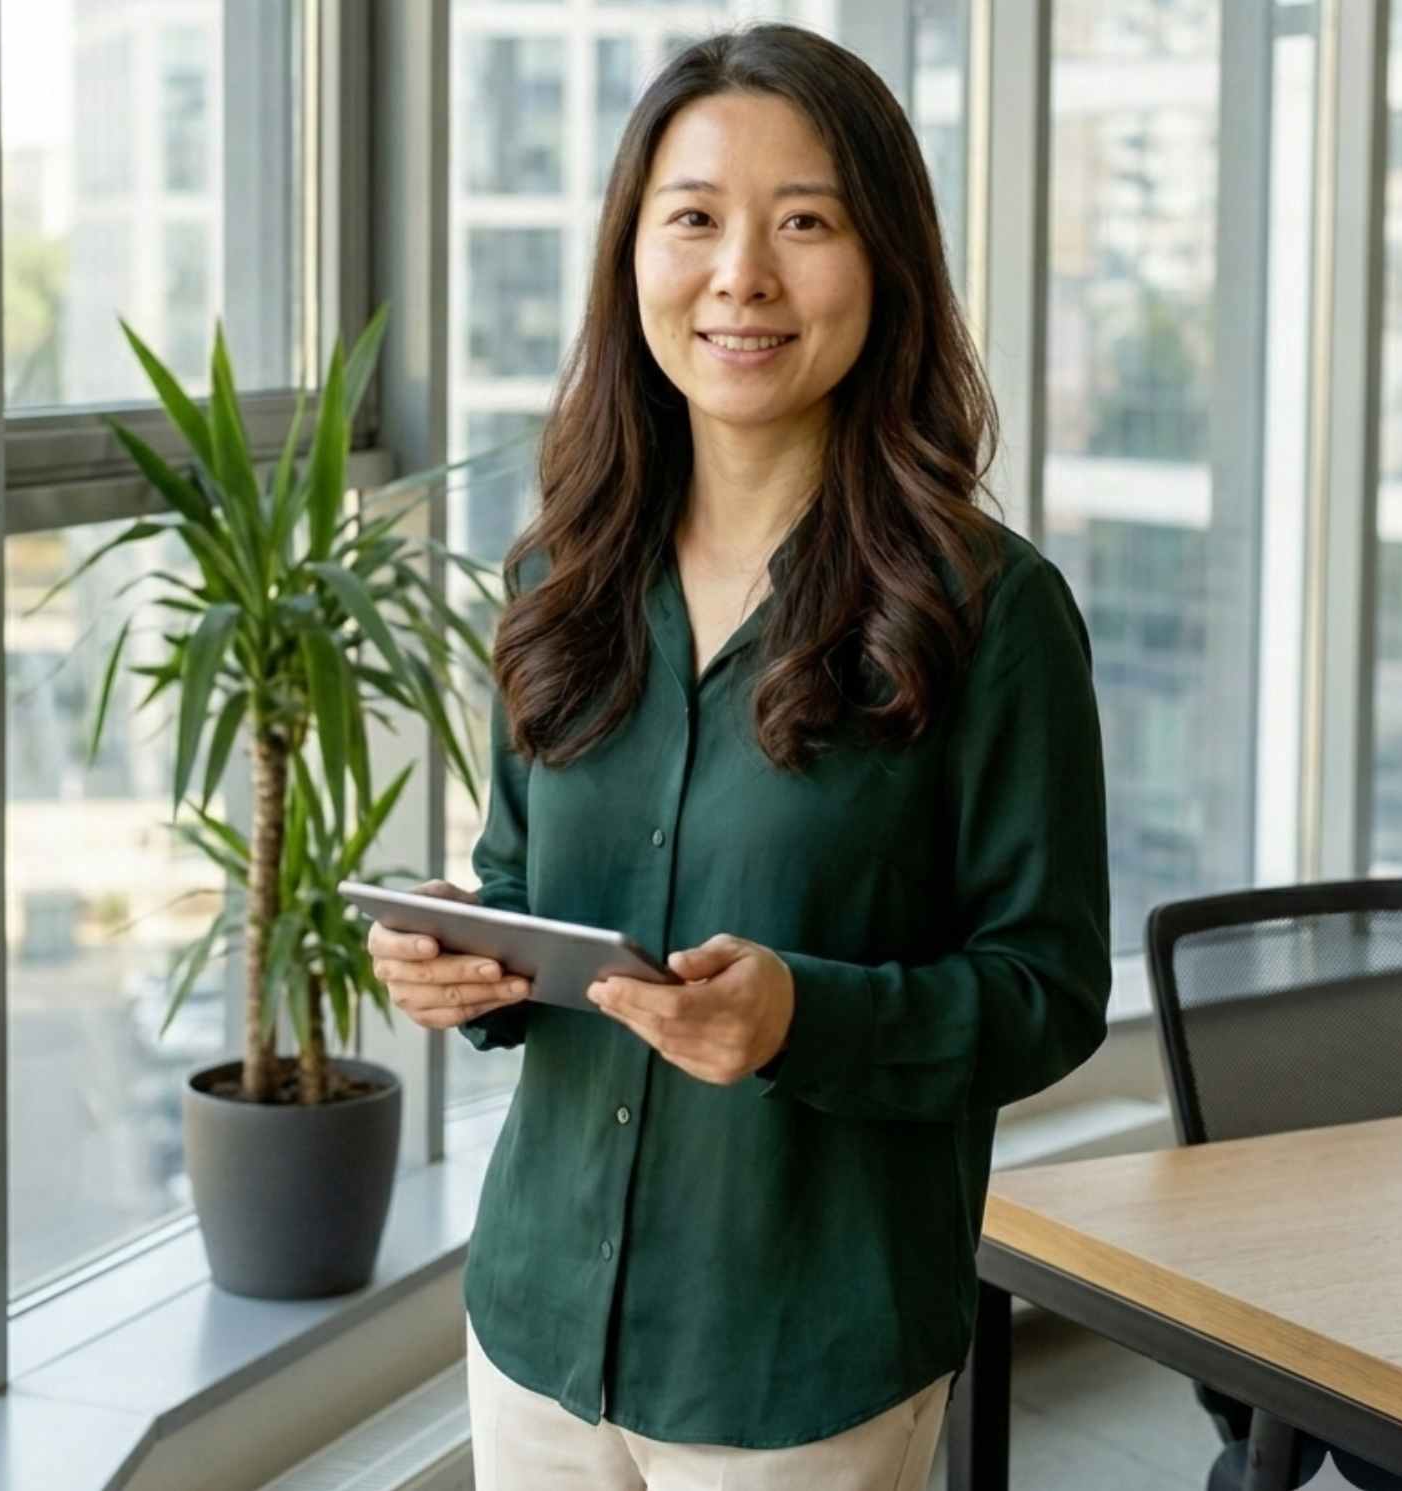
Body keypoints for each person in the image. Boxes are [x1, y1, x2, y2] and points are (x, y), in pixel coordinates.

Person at [369, 20, 1111, 1490]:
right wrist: (466, 976)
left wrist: (802, 1021)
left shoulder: (991, 612)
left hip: (802, 1372)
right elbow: (522, 883)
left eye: (805, 224)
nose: (741, 277)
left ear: (884, 260)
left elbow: (1047, 992)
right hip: (537, 1337)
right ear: (629, 255)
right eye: (694, 219)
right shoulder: (558, 581)